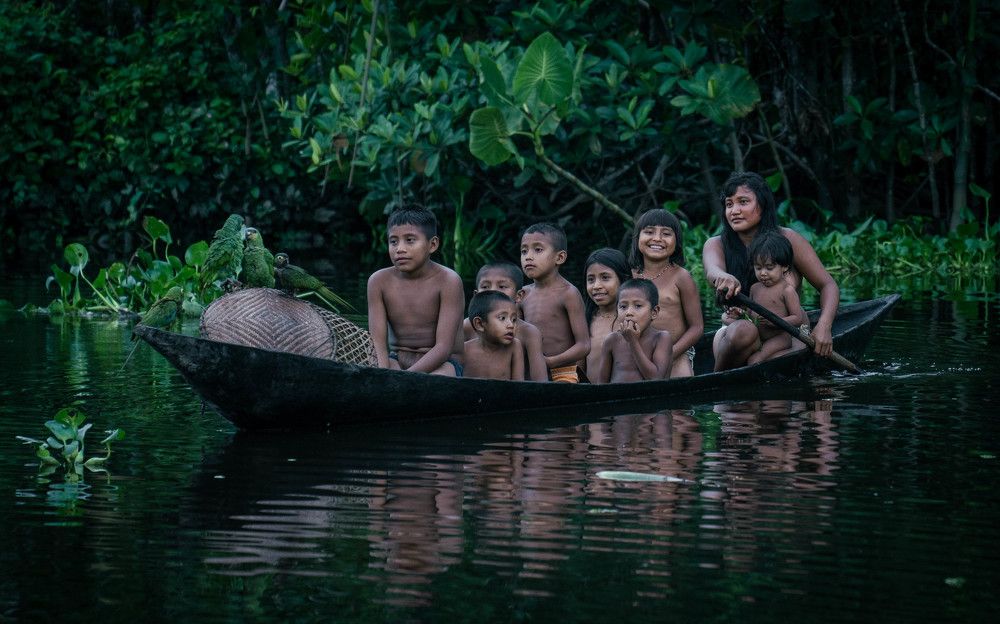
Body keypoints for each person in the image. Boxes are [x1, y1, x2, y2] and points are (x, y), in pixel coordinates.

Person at [703, 171, 839, 371]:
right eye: (729, 204)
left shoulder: (788, 239)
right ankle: (718, 379)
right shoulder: (715, 244)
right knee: (743, 330)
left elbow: (828, 285)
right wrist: (723, 277)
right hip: (739, 334)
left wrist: (824, 326)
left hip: (788, 335)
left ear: (763, 204)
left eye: (743, 202)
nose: (734, 210)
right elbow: (712, 270)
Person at [367, 206, 465, 376]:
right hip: (396, 359)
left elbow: (444, 347)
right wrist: (382, 375)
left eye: (410, 240)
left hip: (441, 362)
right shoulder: (378, 281)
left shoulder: (449, 281)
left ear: (432, 245)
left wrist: (405, 379)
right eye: (393, 241)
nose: (400, 249)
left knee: (439, 379)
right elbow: (378, 343)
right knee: (375, 372)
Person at [629, 209, 704, 378]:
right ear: (637, 238)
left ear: (676, 242)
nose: (657, 238)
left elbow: (697, 327)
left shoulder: (681, 277)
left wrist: (669, 354)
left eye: (666, 234)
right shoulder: (627, 275)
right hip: (633, 350)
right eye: (649, 232)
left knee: (680, 389)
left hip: (675, 352)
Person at [518, 223, 590, 383]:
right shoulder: (522, 294)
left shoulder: (568, 293)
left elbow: (584, 345)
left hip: (563, 372)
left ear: (560, 257)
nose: (528, 256)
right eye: (524, 251)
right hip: (530, 372)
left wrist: (550, 362)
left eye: (538, 250)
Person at [463, 261, 548, 381]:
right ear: (476, 295)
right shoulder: (467, 326)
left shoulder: (529, 333)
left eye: (502, 287)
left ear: (519, 296)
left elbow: (540, 381)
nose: (493, 292)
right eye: (485, 287)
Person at [742, 231, 808, 364]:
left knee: (755, 360)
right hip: (759, 336)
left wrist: (775, 321)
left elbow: (797, 318)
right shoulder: (754, 288)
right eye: (758, 268)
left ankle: (787, 355)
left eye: (769, 268)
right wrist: (740, 314)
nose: (763, 273)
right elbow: (749, 315)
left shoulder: (787, 290)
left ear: (784, 267)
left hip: (779, 337)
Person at [591, 278, 673, 383]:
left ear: (654, 312)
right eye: (623, 306)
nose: (628, 312)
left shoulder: (661, 338)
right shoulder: (612, 340)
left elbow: (656, 379)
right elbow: (601, 385)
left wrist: (633, 342)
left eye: (638, 306)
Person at [583, 248, 632, 378]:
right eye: (591, 279)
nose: (596, 286)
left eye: (605, 278)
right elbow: (578, 369)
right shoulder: (585, 321)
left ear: (623, 279)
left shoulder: (633, 319)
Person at [463, 291, 525, 380]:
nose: (511, 325)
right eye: (502, 318)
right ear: (479, 324)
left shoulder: (514, 346)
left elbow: (519, 385)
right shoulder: (465, 350)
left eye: (514, 319)